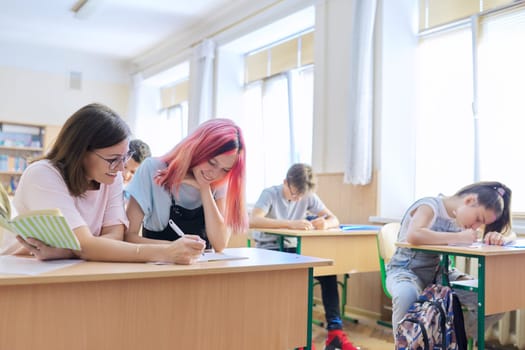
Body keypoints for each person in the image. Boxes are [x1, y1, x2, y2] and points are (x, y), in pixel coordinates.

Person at [13, 103, 205, 263]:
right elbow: (86, 245)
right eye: (113, 159)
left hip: (76, 268)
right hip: (24, 272)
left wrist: (70, 250)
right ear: (80, 151)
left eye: (124, 157)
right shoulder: (43, 175)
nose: (121, 168)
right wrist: (165, 253)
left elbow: (115, 236)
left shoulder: (110, 177)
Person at [386, 181, 514, 341]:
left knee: (493, 299)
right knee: (406, 295)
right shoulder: (429, 206)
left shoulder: (461, 219)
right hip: (405, 271)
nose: (476, 226)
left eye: (482, 224)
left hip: (441, 274)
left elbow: (511, 236)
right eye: (478, 219)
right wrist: (459, 237)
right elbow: (414, 235)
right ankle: (405, 344)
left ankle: (456, 339)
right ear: (469, 201)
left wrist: (499, 237)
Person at [250, 163, 358, 350]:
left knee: (328, 273)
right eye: (294, 194)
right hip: (270, 250)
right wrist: (290, 224)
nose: (298, 198)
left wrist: (325, 224)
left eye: (301, 196)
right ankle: (298, 337)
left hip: (295, 250)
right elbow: (254, 219)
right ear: (285, 182)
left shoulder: (307, 195)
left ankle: (335, 334)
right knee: (298, 277)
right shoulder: (270, 194)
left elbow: (335, 219)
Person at [124, 118, 247, 253]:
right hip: (158, 268)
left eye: (225, 169)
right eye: (212, 162)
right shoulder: (152, 169)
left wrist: (204, 188)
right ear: (196, 148)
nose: (214, 174)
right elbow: (128, 237)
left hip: (201, 270)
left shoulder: (220, 182)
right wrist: (172, 248)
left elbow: (220, 243)